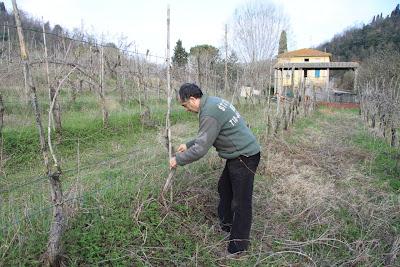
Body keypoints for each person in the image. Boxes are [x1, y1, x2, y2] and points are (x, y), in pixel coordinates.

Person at [169, 83, 261, 255]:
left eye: (184, 105)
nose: (186, 109)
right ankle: (227, 226)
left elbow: (201, 149)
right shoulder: (212, 102)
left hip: (244, 156)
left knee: (241, 203)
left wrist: (178, 159)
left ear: (192, 99)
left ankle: (238, 247)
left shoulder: (209, 113)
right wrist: (188, 144)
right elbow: (209, 134)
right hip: (239, 154)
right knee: (224, 188)